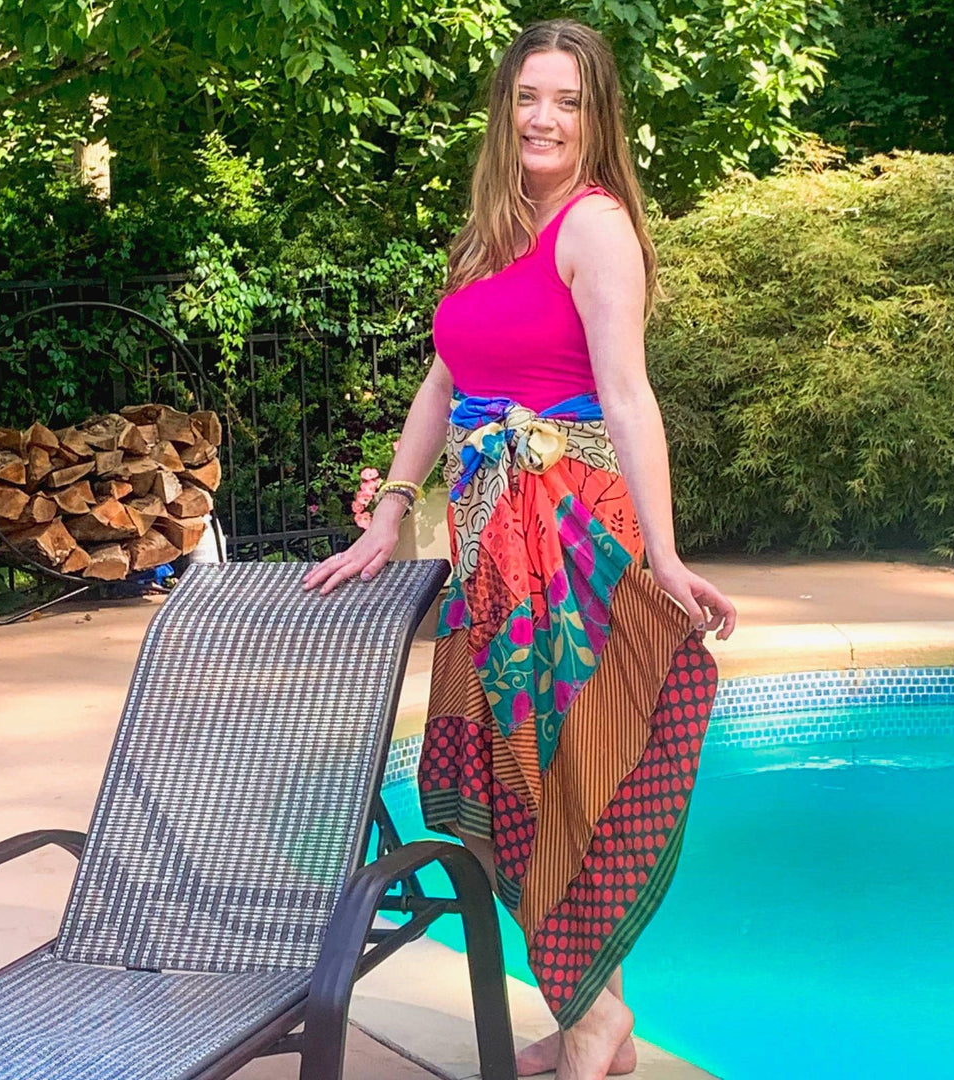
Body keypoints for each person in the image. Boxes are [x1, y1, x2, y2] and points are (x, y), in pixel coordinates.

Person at [303, 17, 737, 1080]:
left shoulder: (594, 230)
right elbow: (444, 381)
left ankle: (593, 1030)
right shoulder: (492, 232)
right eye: (527, 96)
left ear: (597, 119)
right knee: (511, 786)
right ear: (505, 109)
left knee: (565, 781)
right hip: (492, 543)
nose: (544, 117)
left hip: (572, 539)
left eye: (569, 101)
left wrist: (668, 557)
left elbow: (629, 398)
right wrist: (390, 514)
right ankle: (601, 1022)